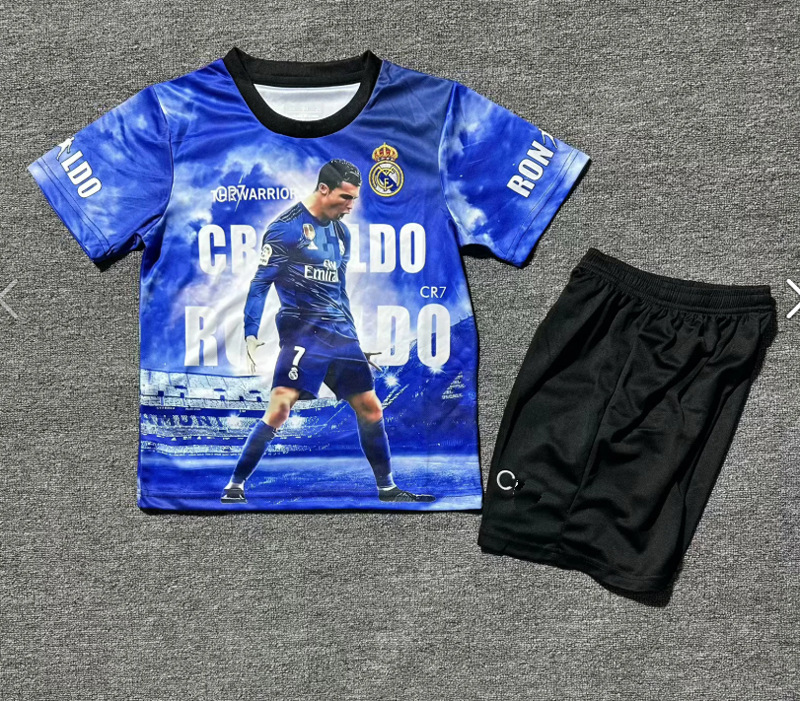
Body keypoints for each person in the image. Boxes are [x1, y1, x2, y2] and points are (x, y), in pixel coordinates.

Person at [221, 159, 434, 505]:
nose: (350, 206)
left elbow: (338, 291)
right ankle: (235, 485)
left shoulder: (341, 233)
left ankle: (387, 489)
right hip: (303, 333)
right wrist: (250, 332)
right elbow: (260, 284)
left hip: (341, 334)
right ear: (323, 189)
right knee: (280, 406)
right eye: (345, 197)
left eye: (354, 199)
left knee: (371, 408)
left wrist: (355, 342)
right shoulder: (285, 229)